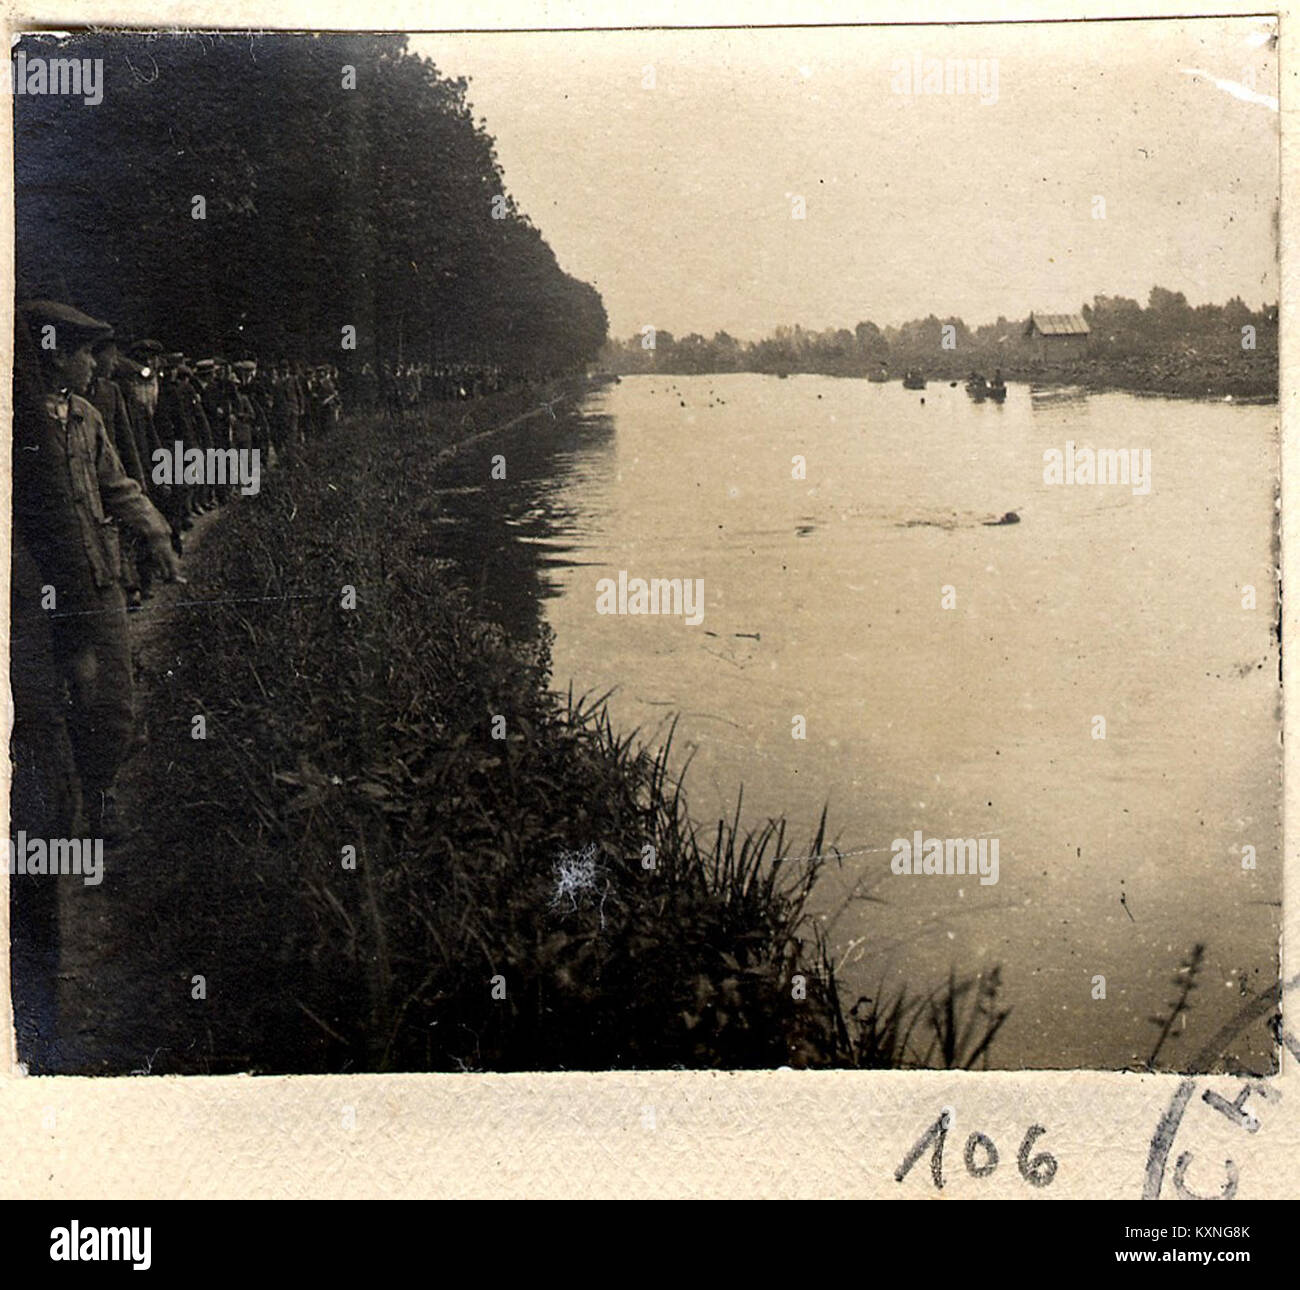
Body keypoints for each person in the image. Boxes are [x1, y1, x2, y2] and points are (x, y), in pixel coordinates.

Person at [16, 300, 183, 835]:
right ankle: (47, 818)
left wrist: (155, 529)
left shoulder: (86, 417)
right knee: (47, 705)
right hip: (37, 589)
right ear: (56, 356)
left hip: (98, 578)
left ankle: (101, 798)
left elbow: (118, 485)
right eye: (85, 353)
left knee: (112, 699)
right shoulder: (19, 421)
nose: (95, 364)